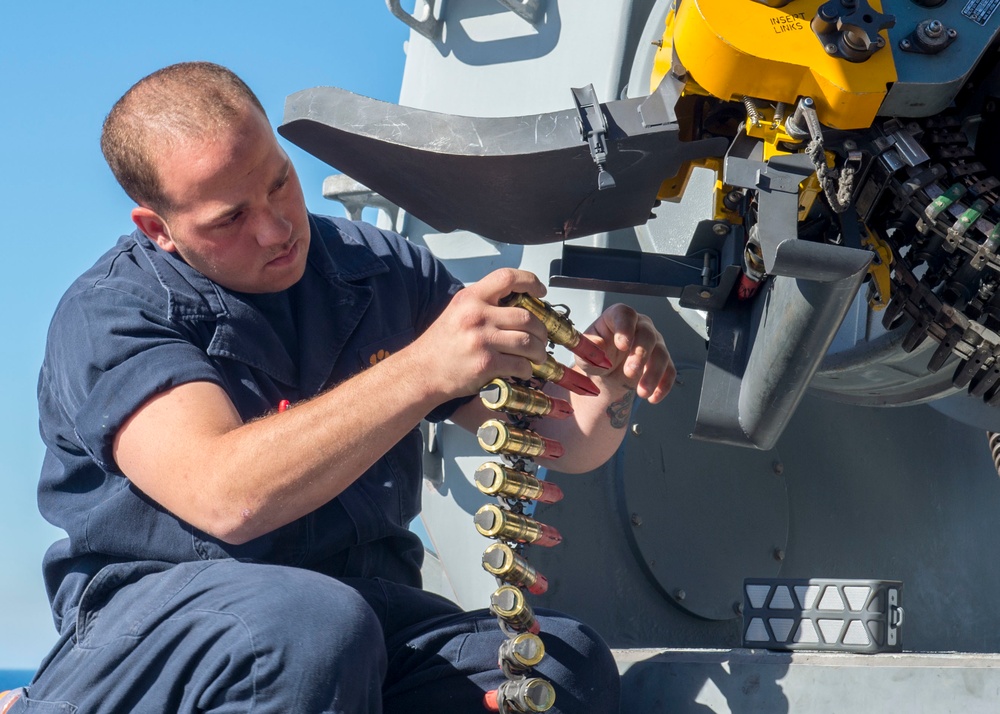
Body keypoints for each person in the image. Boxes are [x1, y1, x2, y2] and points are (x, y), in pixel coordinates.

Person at [22, 62, 675, 713]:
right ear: (157, 229)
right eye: (231, 218)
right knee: (307, 628)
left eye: (281, 184)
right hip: (162, 636)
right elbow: (227, 496)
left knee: (559, 669)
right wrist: (421, 369)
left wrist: (606, 383)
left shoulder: (381, 271)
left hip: (359, 614)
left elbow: (558, 438)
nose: (277, 228)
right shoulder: (114, 314)